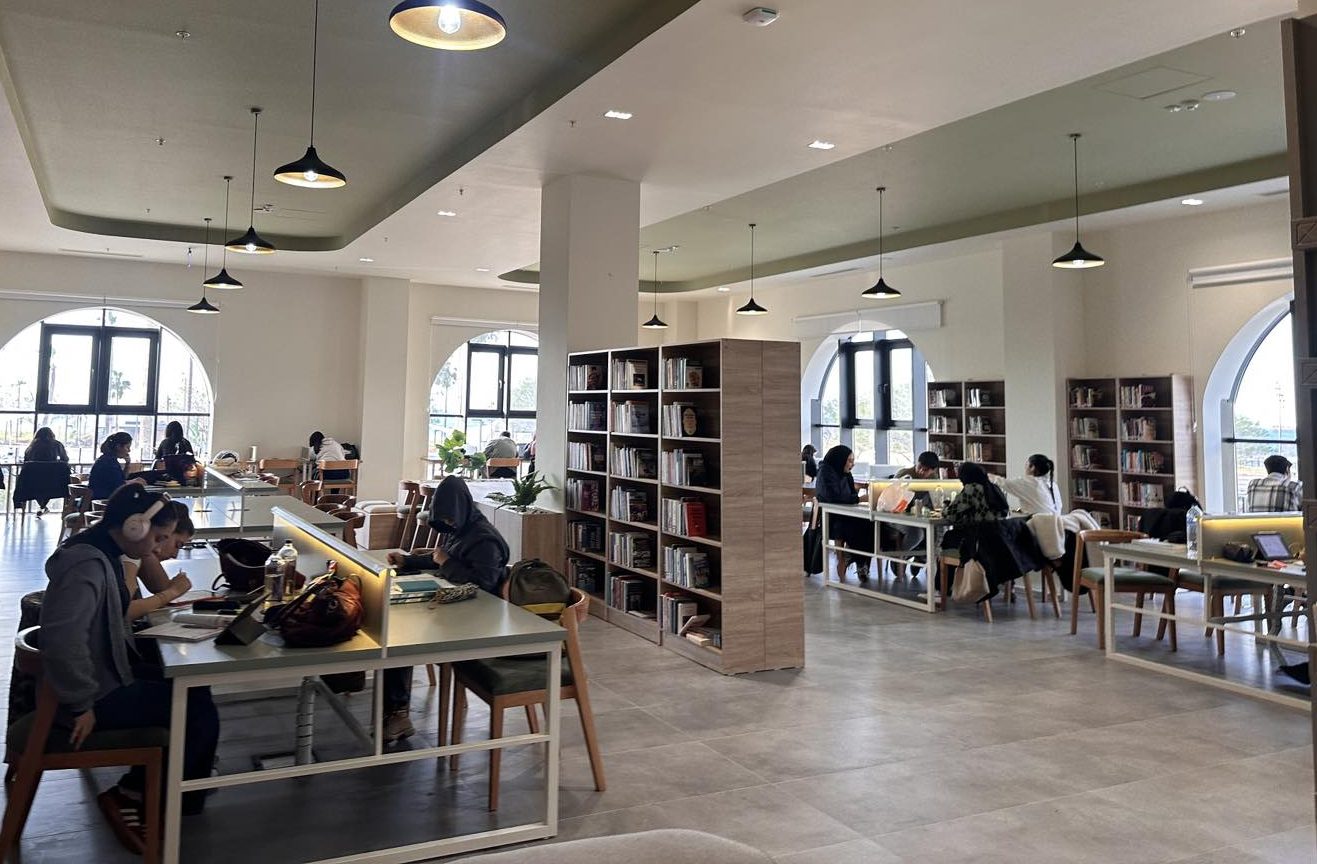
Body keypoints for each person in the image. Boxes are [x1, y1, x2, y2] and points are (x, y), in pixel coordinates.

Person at [40, 484, 219, 852]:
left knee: (193, 688)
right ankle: (138, 794)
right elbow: (62, 638)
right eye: (160, 538)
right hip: (93, 694)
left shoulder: (102, 553)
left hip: (104, 676)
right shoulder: (87, 564)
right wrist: (81, 703)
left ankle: (178, 788)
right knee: (197, 712)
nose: (159, 547)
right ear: (134, 527)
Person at [381, 476, 510, 741]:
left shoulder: (484, 540)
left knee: (400, 640)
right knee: (398, 633)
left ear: (460, 510)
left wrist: (446, 562)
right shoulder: (462, 529)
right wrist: (407, 561)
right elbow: (440, 559)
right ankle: (395, 711)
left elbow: (483, 584)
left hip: (477, 623)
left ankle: (397, 713)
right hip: (457, 611)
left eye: (450, 519)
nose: (448, 525)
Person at [123, 500, 195, 622]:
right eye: (177, 545)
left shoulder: (134, 551)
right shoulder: (128, 555)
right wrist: (172, 592)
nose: (175, 555)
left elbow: (159, 586)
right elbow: (122, 612)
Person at [815, 445, 873, 580]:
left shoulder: (846, 474)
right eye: (850, 461)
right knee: (860, 526)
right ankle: (858, 560)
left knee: (870, 523)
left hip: (846, 514)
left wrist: (856, 498)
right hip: (831, 518)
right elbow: (833, 497)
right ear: (840, 460)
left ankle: (857, 559)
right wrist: (859, 499)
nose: (853, 464)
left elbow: (851, 495)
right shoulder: (825, 473)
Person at [943, 461, 1010, 532]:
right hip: (1000, 534)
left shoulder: (972, 488)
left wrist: (945, 508)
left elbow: (951, 514)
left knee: (950, 535)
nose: (961, 482)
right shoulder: (993, 487)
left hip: (981, 534)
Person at [992, 454, 1061, 515]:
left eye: (1026, 464)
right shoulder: (1052, 484)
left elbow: (1002, 482)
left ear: (1032, 467)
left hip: (1039, 523)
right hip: (1055, 522)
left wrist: (986, 475)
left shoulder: (1030, 482)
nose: (1025, 468)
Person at [89, 432, 133, 500]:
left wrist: (127, 464)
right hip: (104, 501)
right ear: (118, 446)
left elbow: (122, 479)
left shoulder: (108, 459)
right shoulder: (109, 463)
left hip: (101, 499)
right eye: (127, 447)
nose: (129, 450)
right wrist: (135, 483)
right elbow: (119, 486)